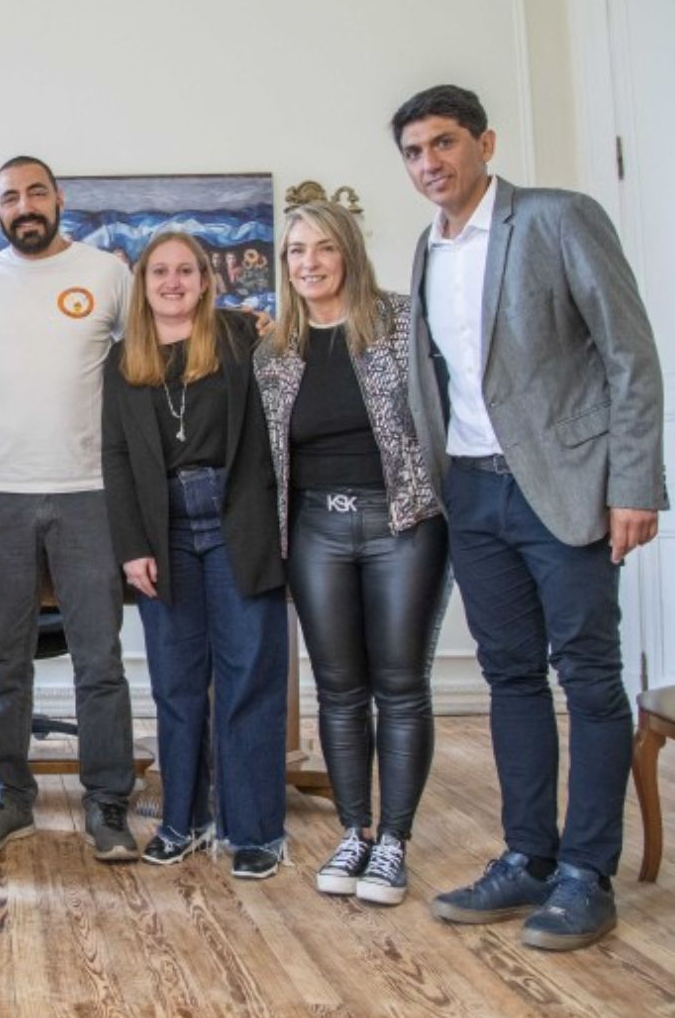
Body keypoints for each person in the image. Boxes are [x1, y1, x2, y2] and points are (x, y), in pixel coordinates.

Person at [398, 84, 665, 949]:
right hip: (472, 490)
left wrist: (635, 484)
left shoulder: (556, 219)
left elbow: (630, 354)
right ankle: (528, 858)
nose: (429, 164)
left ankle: (588, 873)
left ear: (485, 143)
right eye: (413, 151)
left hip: (564, 485)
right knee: (508, 675)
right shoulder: (425, 249)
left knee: (587, 675)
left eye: (443, 143)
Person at [253, 200, 449, 904]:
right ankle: (354, 831)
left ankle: (395, 840)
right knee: (339, 689)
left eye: (323, 248)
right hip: (316, 531)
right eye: (296, 250)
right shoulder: (274, 354)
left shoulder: (400, 324)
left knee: (400, 683)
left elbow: (443, 412)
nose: (308, 262)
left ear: (349, 254)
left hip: (403, 525)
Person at [0, 155, 138, 861]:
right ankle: (9, 798)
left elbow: (141, 361)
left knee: (100, 658)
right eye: (9, 197)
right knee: (4, 661)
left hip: (89, 491)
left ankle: (108, 803)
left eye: (36, 192)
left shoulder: (105, 273)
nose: (24, 205)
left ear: (59, 199)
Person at [100, 230, 289, 879]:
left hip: (242, 525)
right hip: (163, 533)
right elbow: (116, 459)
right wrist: (131, 547)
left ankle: (256, 829)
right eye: (161, 271)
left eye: (187, 270)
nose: (174, 281)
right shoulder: (123, 361)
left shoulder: (243, 338)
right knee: (178, 686)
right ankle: (184, 819)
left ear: (207, 280)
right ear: (143, 283)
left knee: (249, 680)